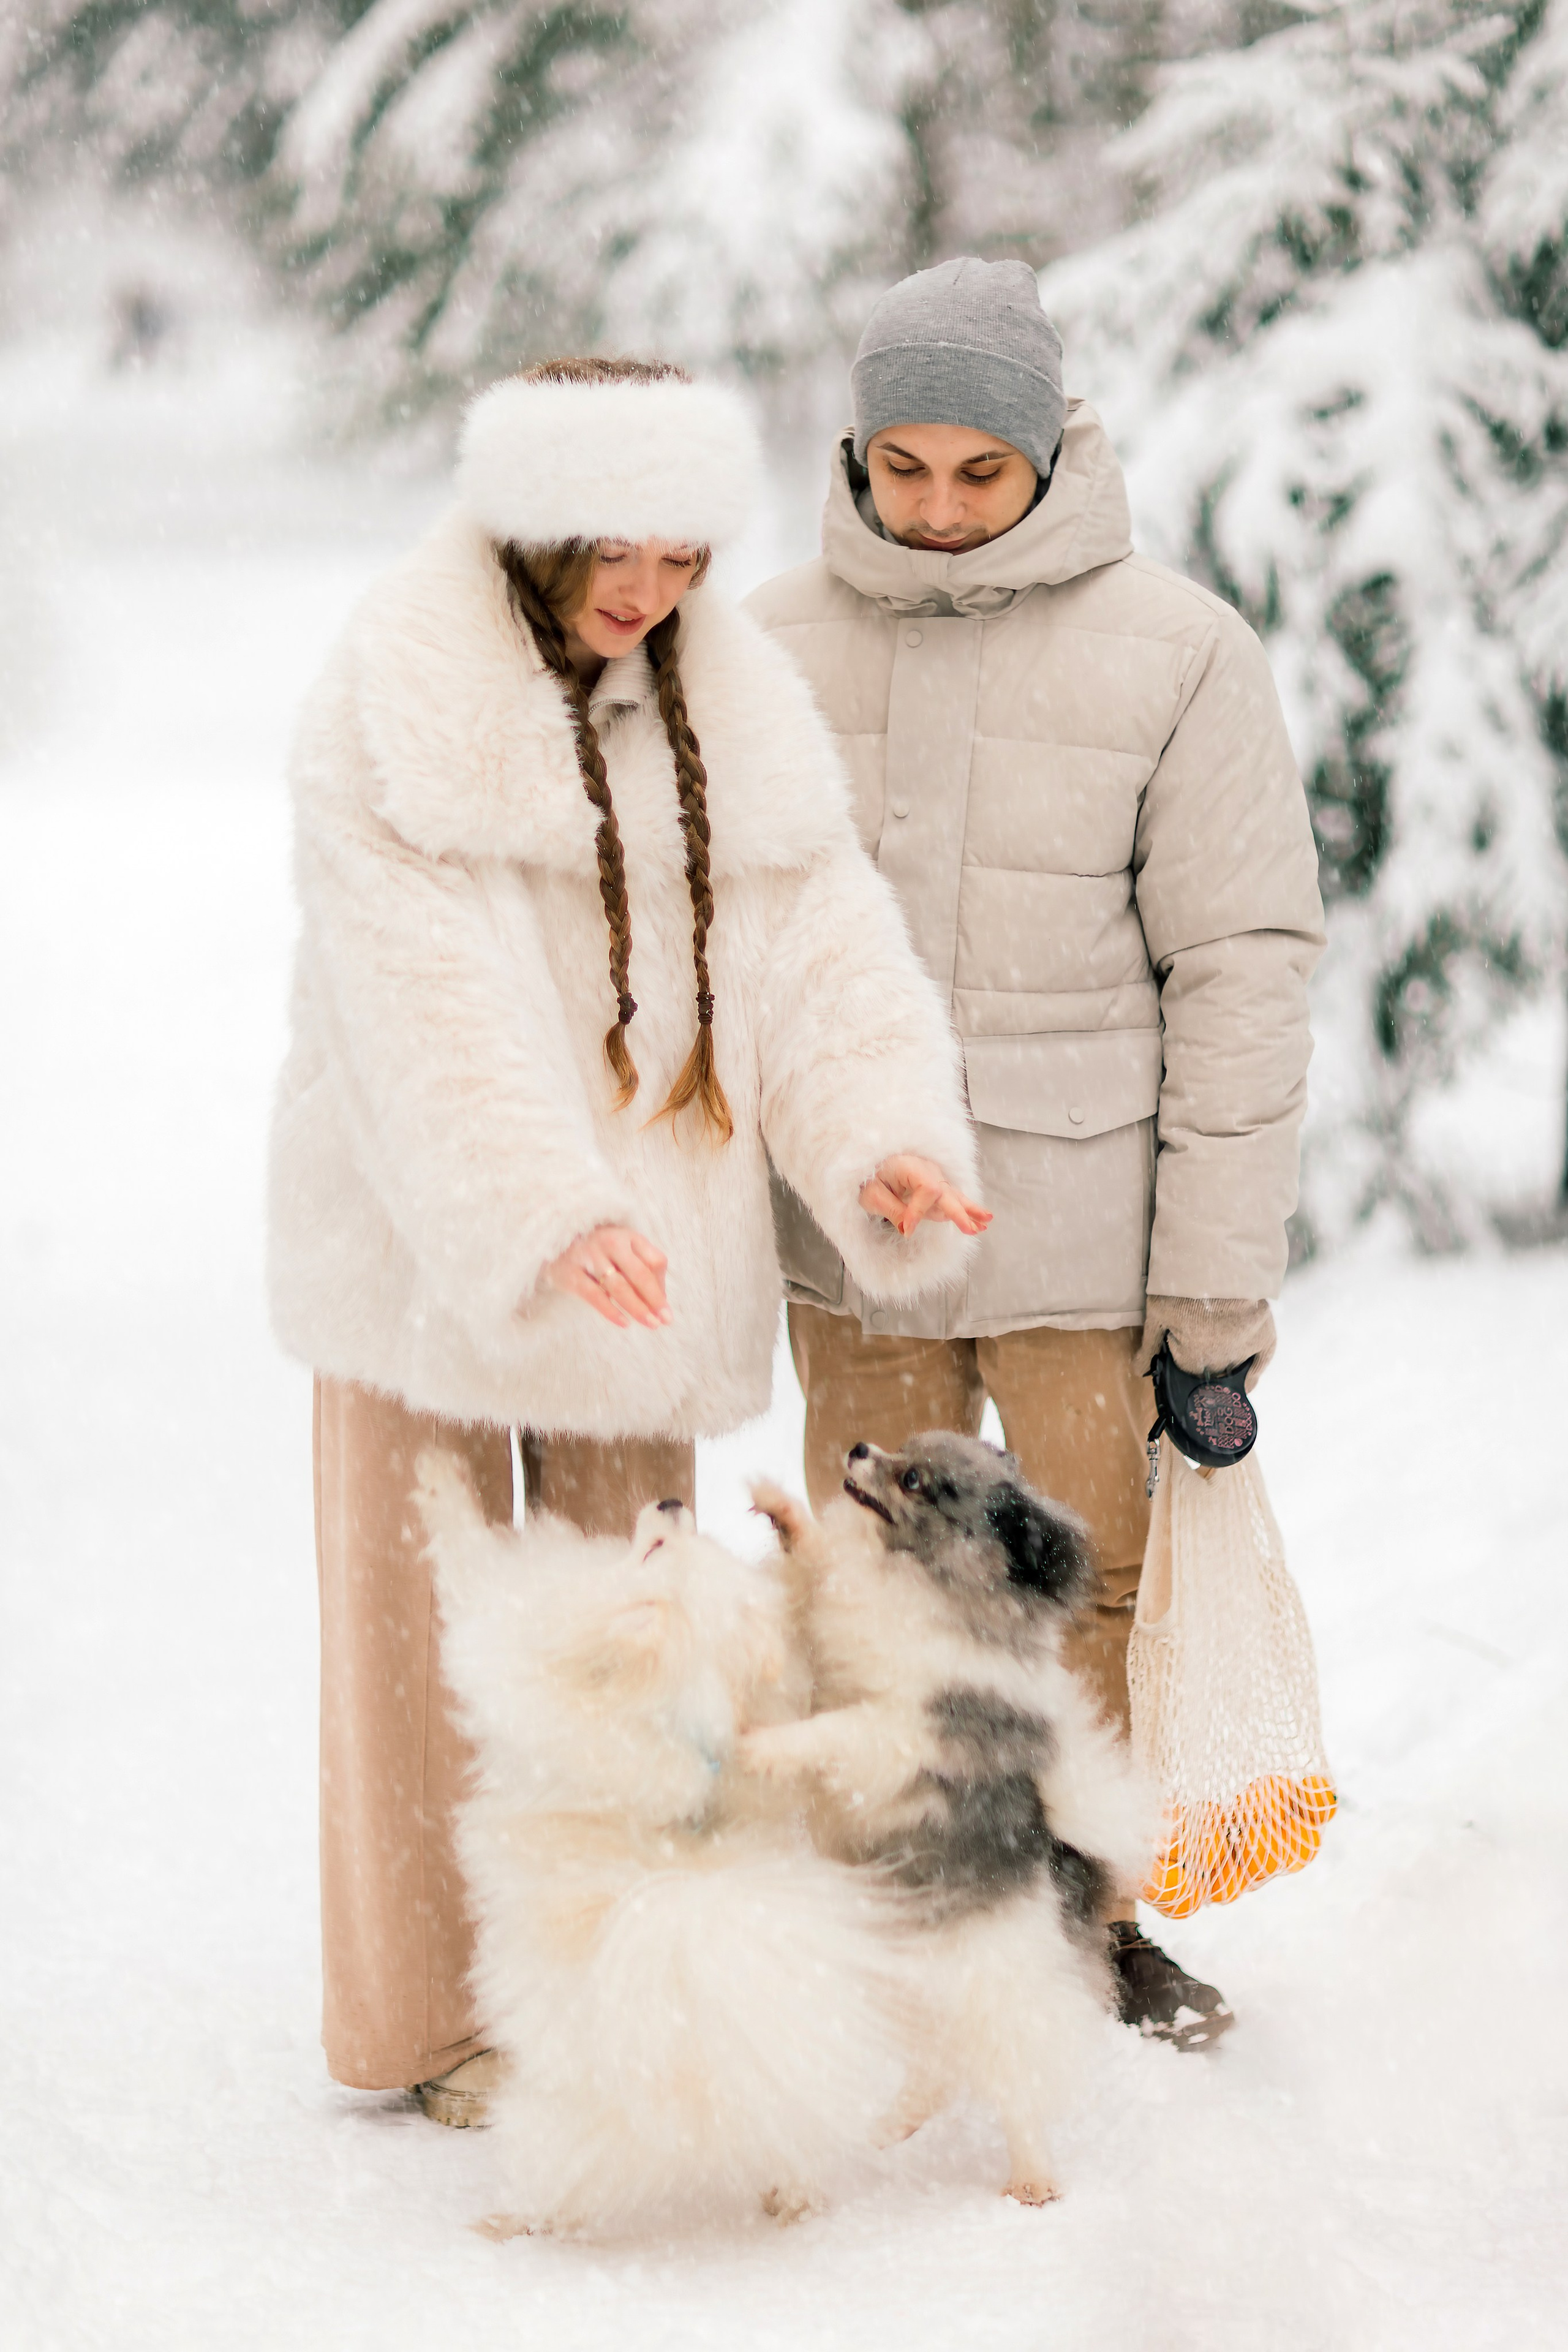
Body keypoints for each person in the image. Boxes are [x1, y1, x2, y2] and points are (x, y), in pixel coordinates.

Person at [268, 356, 986, 2122]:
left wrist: (882, 1142)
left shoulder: (729, 701)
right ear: (533, 521)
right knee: (422, 1639)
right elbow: (406, 990)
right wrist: (534, 1204)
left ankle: (613, 1994)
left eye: (683, 554)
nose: (650, 590)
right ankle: (431, 2021)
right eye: (618, 548)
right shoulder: (396, 681)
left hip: (650, 1252)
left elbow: (823, 947)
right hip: (418, 1245)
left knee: (644, 1661)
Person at [745, 260, 1325, 2047]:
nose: (932, 508)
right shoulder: (766, 645)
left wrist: (1215, 1289)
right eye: (899, 465)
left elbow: (1241, 969)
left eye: (975, 473)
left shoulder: (1179, 652)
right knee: (876, 1585)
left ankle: (1083, 1918)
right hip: (860, 1231)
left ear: (1048, 452)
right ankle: (901, 1915)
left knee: (1086, 1592)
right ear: (853, 448)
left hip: (1092, 1226)